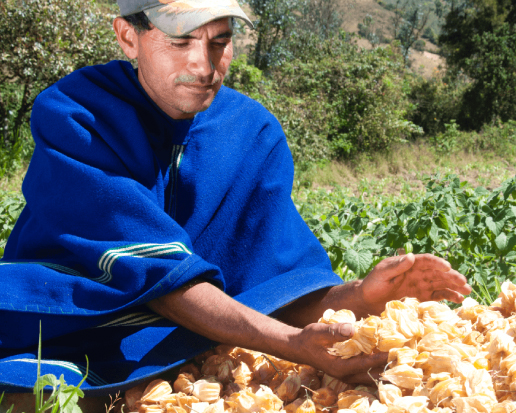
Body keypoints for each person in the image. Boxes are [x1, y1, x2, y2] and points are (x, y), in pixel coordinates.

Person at [0, 0, 471, 409]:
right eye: (180, 42)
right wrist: (291, 344)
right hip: (67, 334)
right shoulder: (76, 116)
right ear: (129, 37)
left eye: (219, 42)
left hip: (201, 341)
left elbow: (276, 291)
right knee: (45, 398)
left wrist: (362, 296)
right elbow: (157, 276)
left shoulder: (252, 133)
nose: (203, 66)